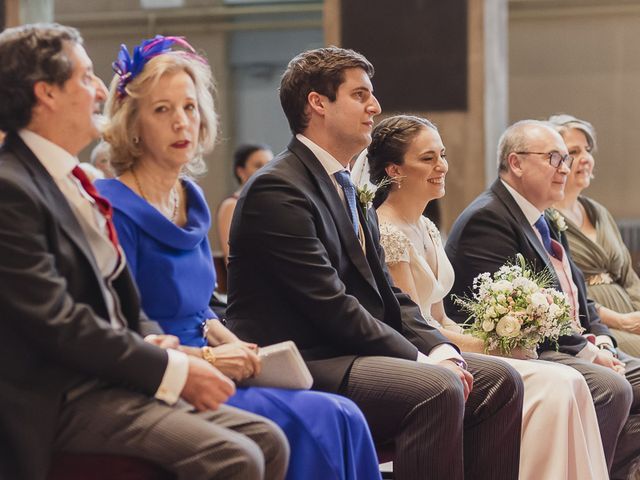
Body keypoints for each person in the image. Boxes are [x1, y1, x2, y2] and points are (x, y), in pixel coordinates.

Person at [0, 24, 289, 480]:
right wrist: (173, 367)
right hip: (60, 396)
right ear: (46, 94)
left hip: (107, 375)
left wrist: (148, 337)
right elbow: (57, 322)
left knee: (268, 440)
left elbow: (112, 297)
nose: (100, 90)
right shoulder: (11, 187)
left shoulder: (67, 178)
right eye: (85, 76)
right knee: (238, 456)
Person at [226, 46, 525, 480]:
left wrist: (440, 346)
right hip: (307, 358)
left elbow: (390, 294)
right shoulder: (279, 189)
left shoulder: (348, 187)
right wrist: (421, 362)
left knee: (500, 380)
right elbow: (330, 304)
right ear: (318, 104)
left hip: (351, 352)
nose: (375, 107)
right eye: (360, 94)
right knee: (436, 388)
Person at [96, 36, 381, 480]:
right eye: (162, 110)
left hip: (213, 358)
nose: (181, 123)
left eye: (190, 108)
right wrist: (207, 359)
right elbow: (121, 324)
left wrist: (224, 337)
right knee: (324, 418)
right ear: (132, 124)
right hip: (159, 373)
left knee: (344, 415)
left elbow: (200, 305)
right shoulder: (110, 206)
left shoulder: (188, 198)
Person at [363, 114, 608, 479]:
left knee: (567, 380)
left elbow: (443, 320)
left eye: (442, 155)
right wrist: (496, 348)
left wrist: (505, 341)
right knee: (556, 381)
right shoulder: (388, 232)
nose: (442, 166)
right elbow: (416, 328)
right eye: (428, 158)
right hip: (420, 356)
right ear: (394, 170)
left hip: (446, 342)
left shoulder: (427, 228)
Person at [444, 119, 640, 480]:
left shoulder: (542, 217)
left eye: (566, 158)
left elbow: (580, 299)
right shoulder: (489, 219)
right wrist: (590, 353)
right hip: (519, 350)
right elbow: (526, 318)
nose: (564, 168)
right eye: (554, 158)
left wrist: (606, 343)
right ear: (516, 163)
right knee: (612, 388)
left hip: (572, 343)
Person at [549, 114, 640, 357]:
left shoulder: (598, 211)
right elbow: (562, 290)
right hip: (594, 324)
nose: (585, 159)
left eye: (587, 150)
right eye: (574, 152)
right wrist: (621, 321)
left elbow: (628, 277)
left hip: (630, 313)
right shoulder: (546, 217)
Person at [217, 143, 272, 262]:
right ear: (241, 172)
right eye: (258, 165)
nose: (267, 170)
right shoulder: (231, 205)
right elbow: (230, 258)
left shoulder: (273, 204)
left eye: (270, 164)